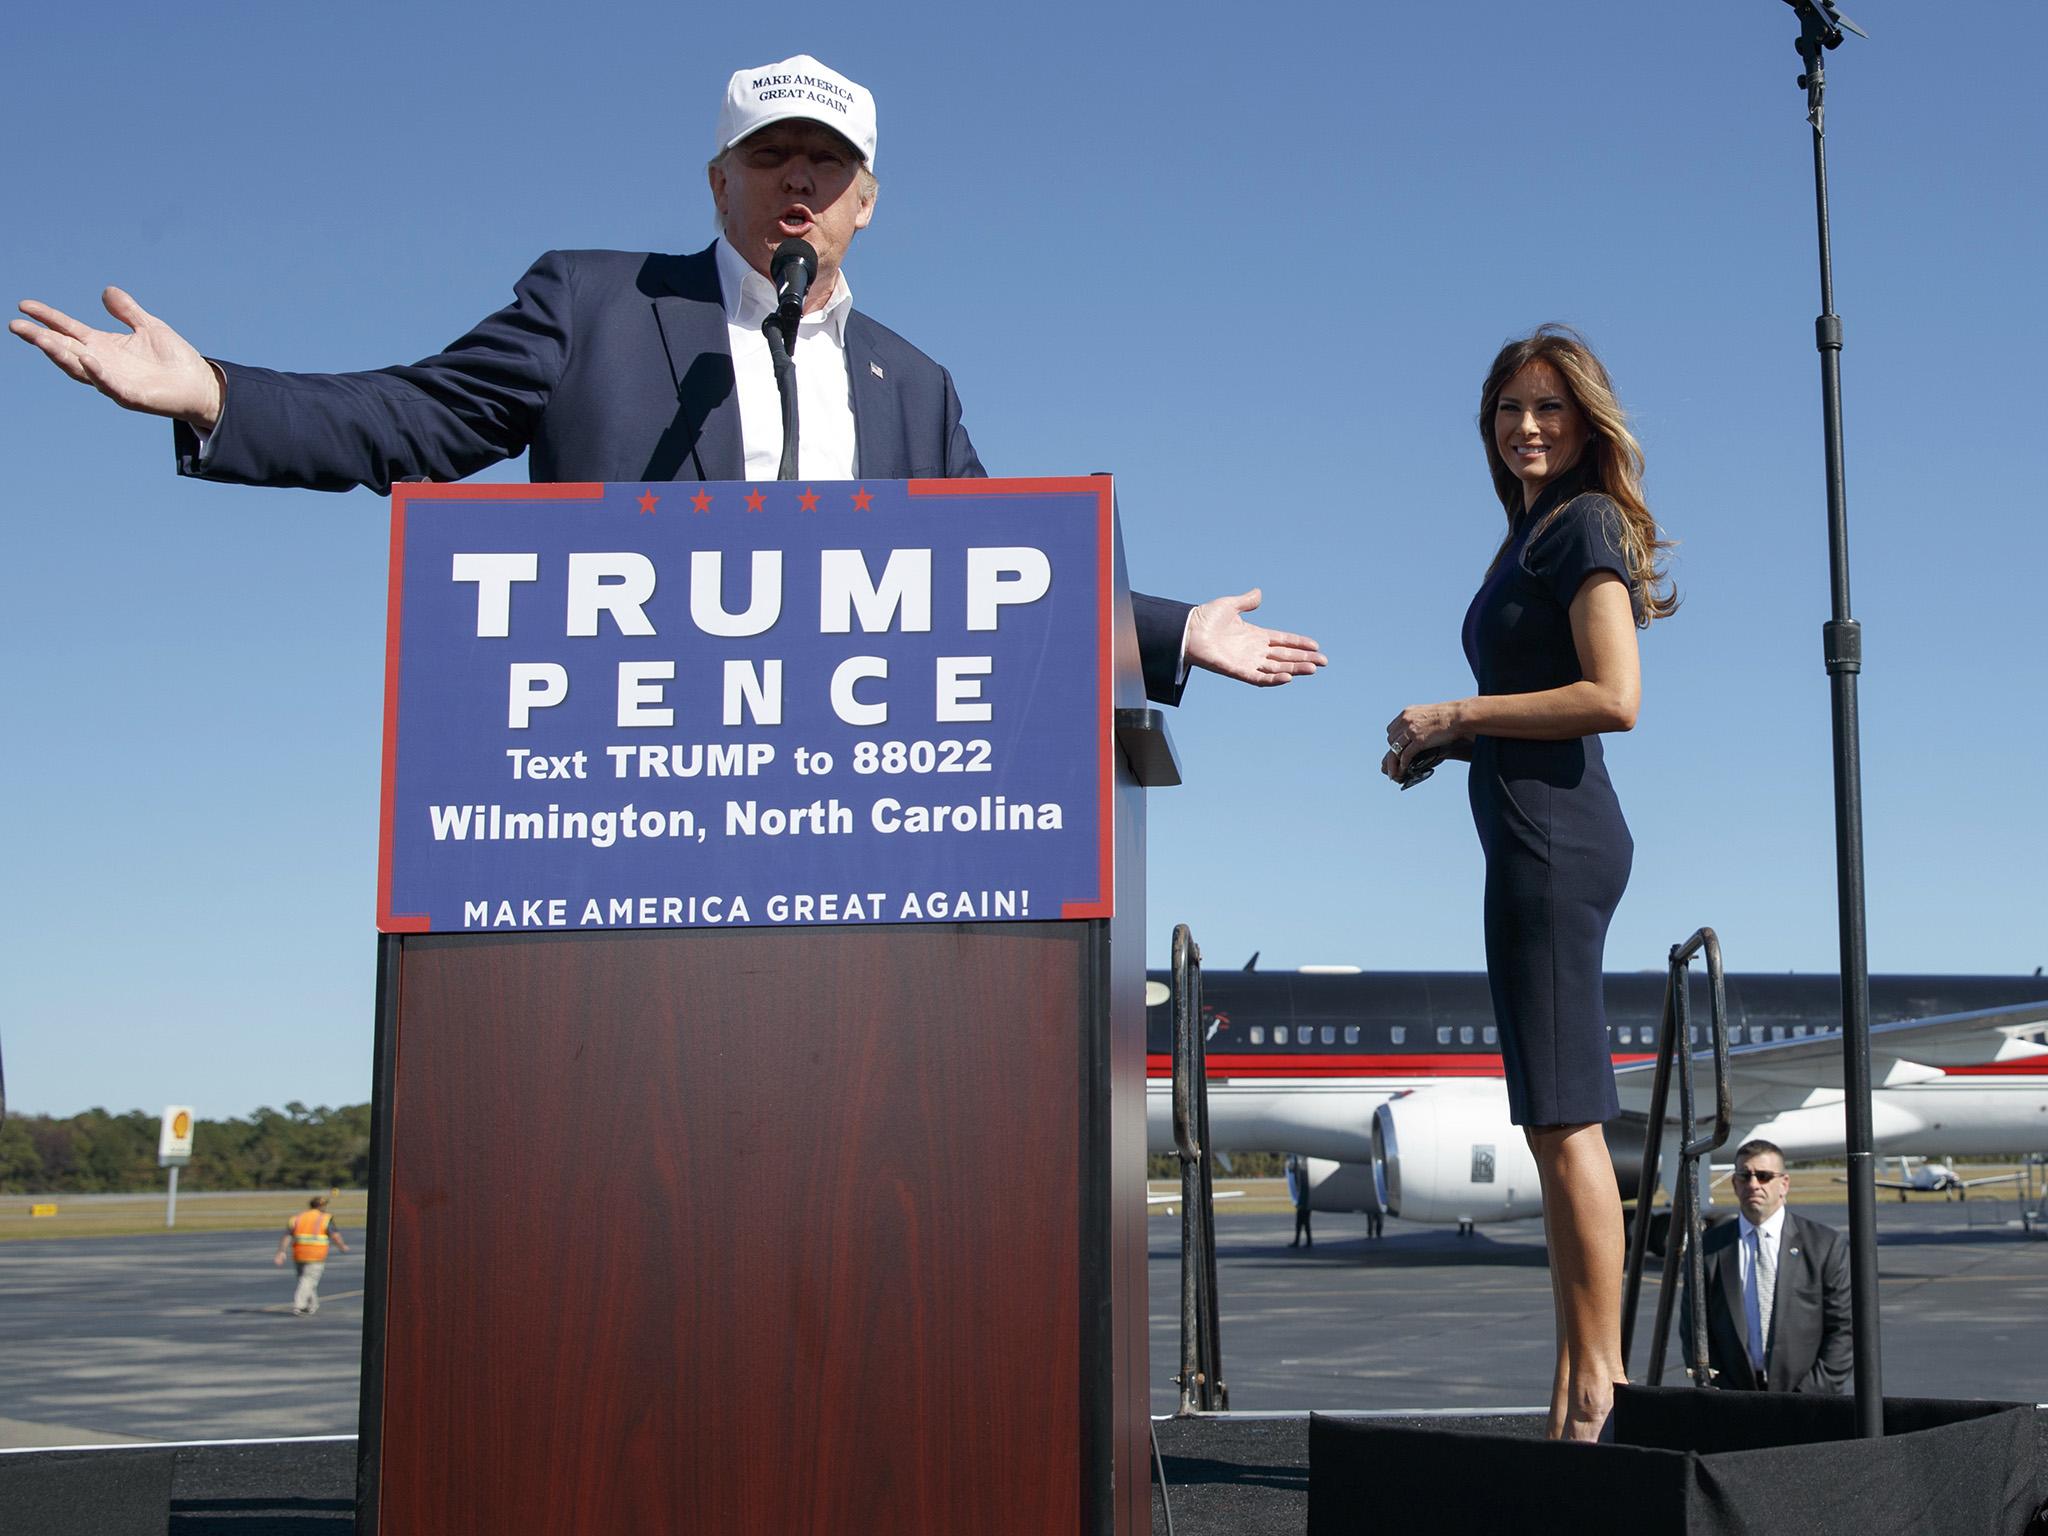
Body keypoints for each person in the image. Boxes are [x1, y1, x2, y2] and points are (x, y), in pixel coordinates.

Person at [9, 54, 1324, 708]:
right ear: (720, 185)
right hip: (625, 783)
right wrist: (215, 396)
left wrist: (1165, 631)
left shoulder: (910, 384)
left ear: (867, 204)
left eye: (825, 167)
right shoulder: (595, 304)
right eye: (771, 160)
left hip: (847, 788)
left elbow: (1004, 564)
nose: (797, 185)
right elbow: (411, 420)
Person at [1381, 325, 1676, 1440]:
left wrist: (1458, 714)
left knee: (1565, 1122)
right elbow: (1539, 694)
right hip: (1524, 832)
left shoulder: (1585, 524)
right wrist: (1442, 747)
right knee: (1549, 1124)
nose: (1526, 426)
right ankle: (1569, 1398)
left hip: (1556, 842)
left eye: (1548, 406)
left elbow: (1613, 696)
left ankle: (1596, 1405)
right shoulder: (1530, 533)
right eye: (1508, 409)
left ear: (1584, 419)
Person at [1680, 1140, 1853, 1393]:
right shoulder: (1708, 1248)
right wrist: (1721, 1390)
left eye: (1763, 1176)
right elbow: (1694, 1329)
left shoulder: (1824, 1245)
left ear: (1784, 1184)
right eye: (1744, 1176)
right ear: (1735, 1184)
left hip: (1808, 1404)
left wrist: (1807, 1395)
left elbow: (1843, 1330)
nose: (1753, 1185)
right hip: (1735, 1403)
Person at [274, 1195, 350, 1316]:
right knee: (308, 1280)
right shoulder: (325, 1218)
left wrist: (281, 1251)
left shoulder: (298, 1218)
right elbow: (334, 1235)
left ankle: (312, 1305)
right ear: (322, 1206)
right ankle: (300, 1305)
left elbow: (287, 1235)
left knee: (305, 1280)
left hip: (299, 1254)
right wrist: (342, 1246)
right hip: (316, 1255)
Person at [1286, 1154, 1314, 1249]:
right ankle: (1306, 1241)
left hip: (1304, 1204)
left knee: (1302, 1223)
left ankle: (1301, 1241)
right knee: (1304, 1223)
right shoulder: (1304, 1181)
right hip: (1304, 1204)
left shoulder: (1303, 1182)